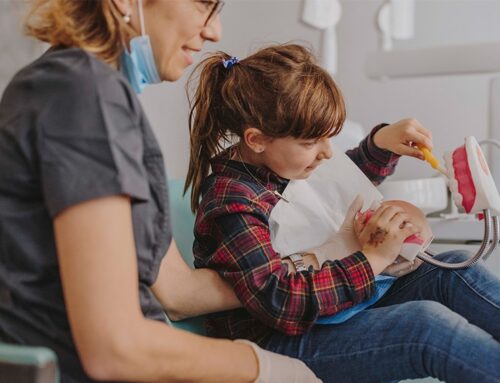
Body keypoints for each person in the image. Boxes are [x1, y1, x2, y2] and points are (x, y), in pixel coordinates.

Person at [0, 1, 322, 382]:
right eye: (203, 4)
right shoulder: (83, 96)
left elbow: (179, 291)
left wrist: (315, 259)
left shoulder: (88, 90)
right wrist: (261, 368)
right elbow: (115, 347)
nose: (214, 32)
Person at [186, 44, 500, 383]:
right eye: (311, 143)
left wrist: (380, 143)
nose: (326, 152)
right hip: (274, 339)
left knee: (452, 270)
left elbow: (333, 184)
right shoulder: (233, 201)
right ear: (257, 139)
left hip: (327, 311)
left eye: (328, 137)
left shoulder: (278, 162)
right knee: (423, 328)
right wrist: (372, 260)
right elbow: (279, 300)